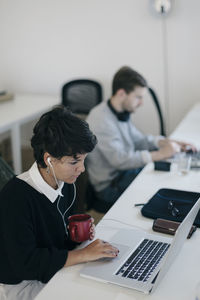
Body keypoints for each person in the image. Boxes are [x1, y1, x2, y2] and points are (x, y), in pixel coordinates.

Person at [0, 106, 119, 300]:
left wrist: (77, 238)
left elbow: (56, 240)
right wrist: (83, 255)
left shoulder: (66, 183)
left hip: (52, 270)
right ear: (49, 159)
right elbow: (26, 264)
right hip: (21, 285)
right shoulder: (16, 197)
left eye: (84, 160)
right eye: (74, 162)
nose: (81, 169)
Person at [86, 66, 196, 213]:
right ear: (121, 93)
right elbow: (120, 160)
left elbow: (138, 139)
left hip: (125, 173)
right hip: (110, 185)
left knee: (169, 176)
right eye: (138, 97)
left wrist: (166, 142)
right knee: (160, 186)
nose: (141, 103)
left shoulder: (121, 112)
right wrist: (161, 154)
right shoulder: (101, 120)